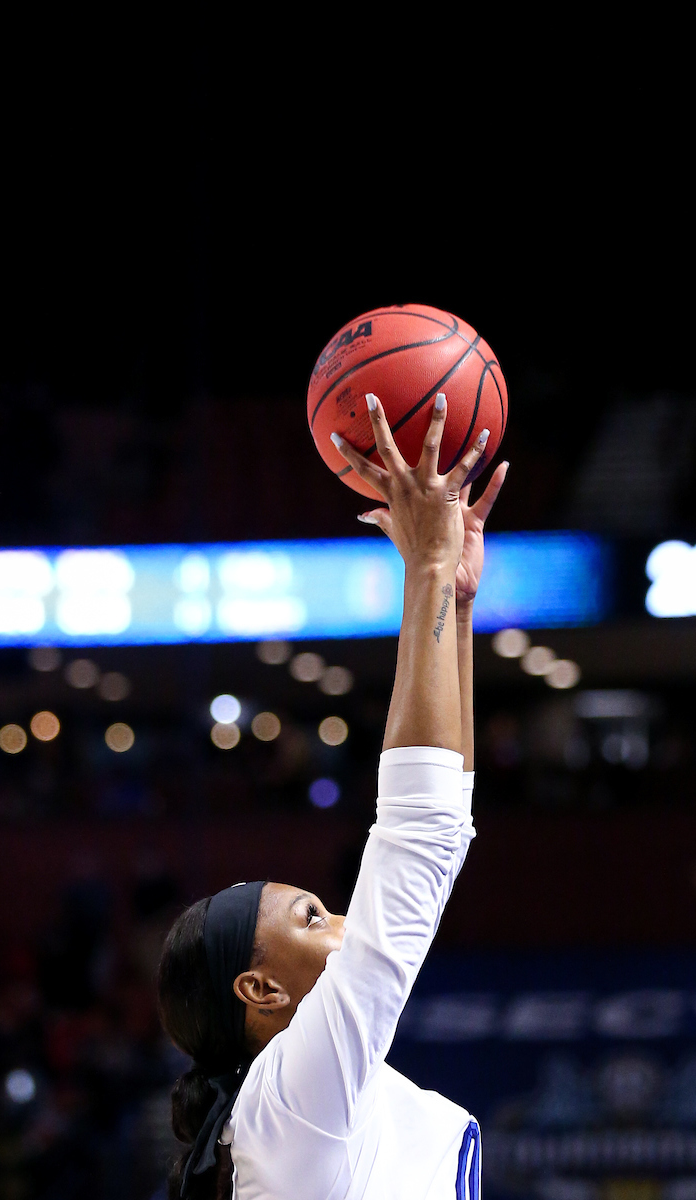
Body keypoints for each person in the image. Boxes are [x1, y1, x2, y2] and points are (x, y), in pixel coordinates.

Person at [157, 392, 509, 1199]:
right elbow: (421, 841)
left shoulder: (302, 1101)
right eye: (313, 916)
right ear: (261, 991)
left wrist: (450, 601)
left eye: (320, 908)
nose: (348, 919)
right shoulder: (288, 1099)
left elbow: (440, 837)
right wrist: (423, 574)